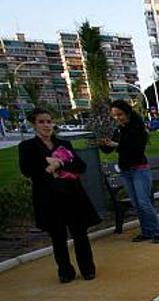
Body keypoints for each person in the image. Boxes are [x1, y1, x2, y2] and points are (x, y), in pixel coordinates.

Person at [18, 108, 100, 283]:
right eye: (41, 122)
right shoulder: (27, 147)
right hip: (49, 198)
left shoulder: (64, 145)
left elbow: (80, 166)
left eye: (49, 121)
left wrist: (59, 164)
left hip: (72, 195)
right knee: (58, 237)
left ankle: (87, 269)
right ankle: (65, 271)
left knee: (80, 234)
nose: (46, 125)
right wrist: (46, 167)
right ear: (34, 124)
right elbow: (27, 170)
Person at [99, 100, 159, 243]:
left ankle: (156, 231)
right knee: (136, 203)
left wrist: (117, 145)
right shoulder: (119, 130)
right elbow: (110, 149)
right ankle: (146, 231)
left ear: (127, 113)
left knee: (143, 202)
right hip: (126, 171)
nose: (117, 118)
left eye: (119, 114)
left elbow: (136, 149)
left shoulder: (138, 128)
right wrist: (104, 144)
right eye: (114, 115)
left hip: (139, 170)